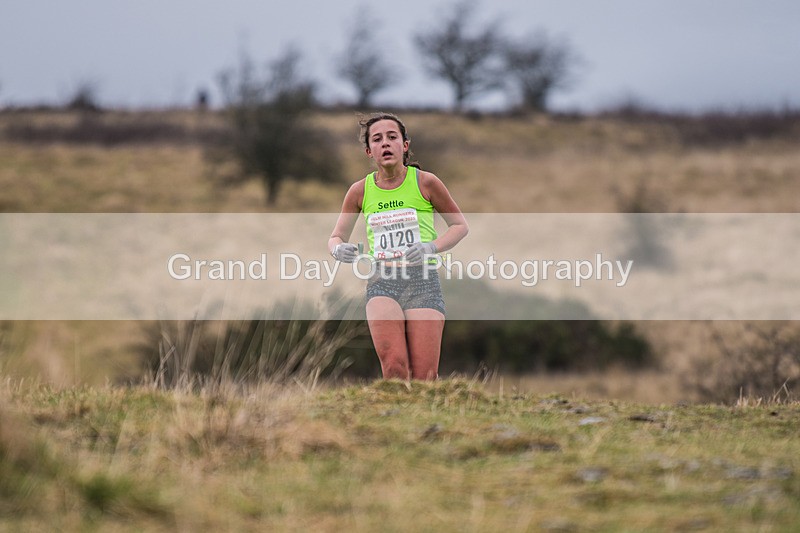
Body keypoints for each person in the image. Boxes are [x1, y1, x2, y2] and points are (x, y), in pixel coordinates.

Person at [328, 113, 468, 381]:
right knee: (394, 369)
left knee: (424, 377)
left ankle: (427, 421)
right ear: (370, 151)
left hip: (423, 282)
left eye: (392, 137)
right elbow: (336, 237)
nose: (385, 143)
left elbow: (460, 226)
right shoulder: (359, 191)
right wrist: (338, 249)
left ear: (404, 145)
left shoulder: (426, 182)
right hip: (382, 281)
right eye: (377, 139)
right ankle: (393, 418)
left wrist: (430, 248)